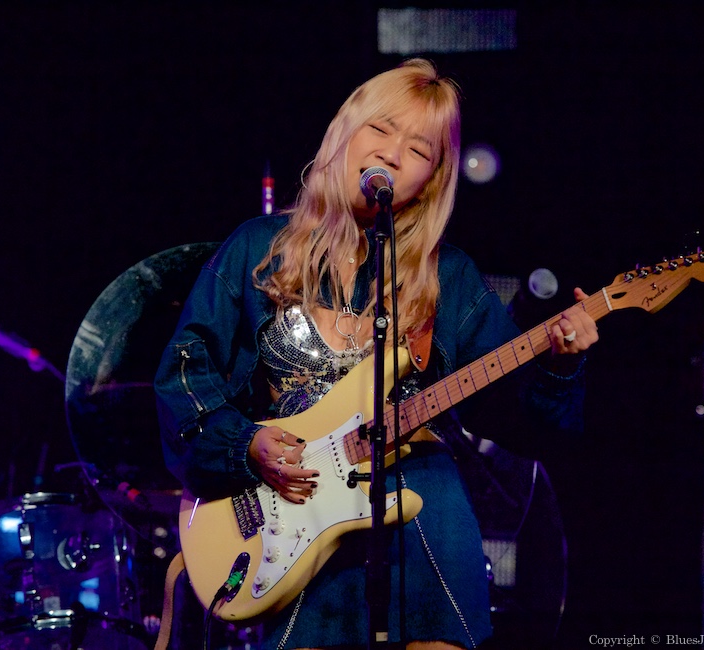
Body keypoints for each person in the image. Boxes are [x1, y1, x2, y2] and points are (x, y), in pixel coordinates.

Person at [154, 58, 598, 650]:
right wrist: (245, 444)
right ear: (346, 133)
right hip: (296, 501)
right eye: (381, 128)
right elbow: (187, 370)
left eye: (419, 149)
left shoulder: (450, 278)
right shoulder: (257, 249)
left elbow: (519, 417)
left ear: (431, 179)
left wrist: (559, 364)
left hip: (419, 494)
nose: (392, 154)